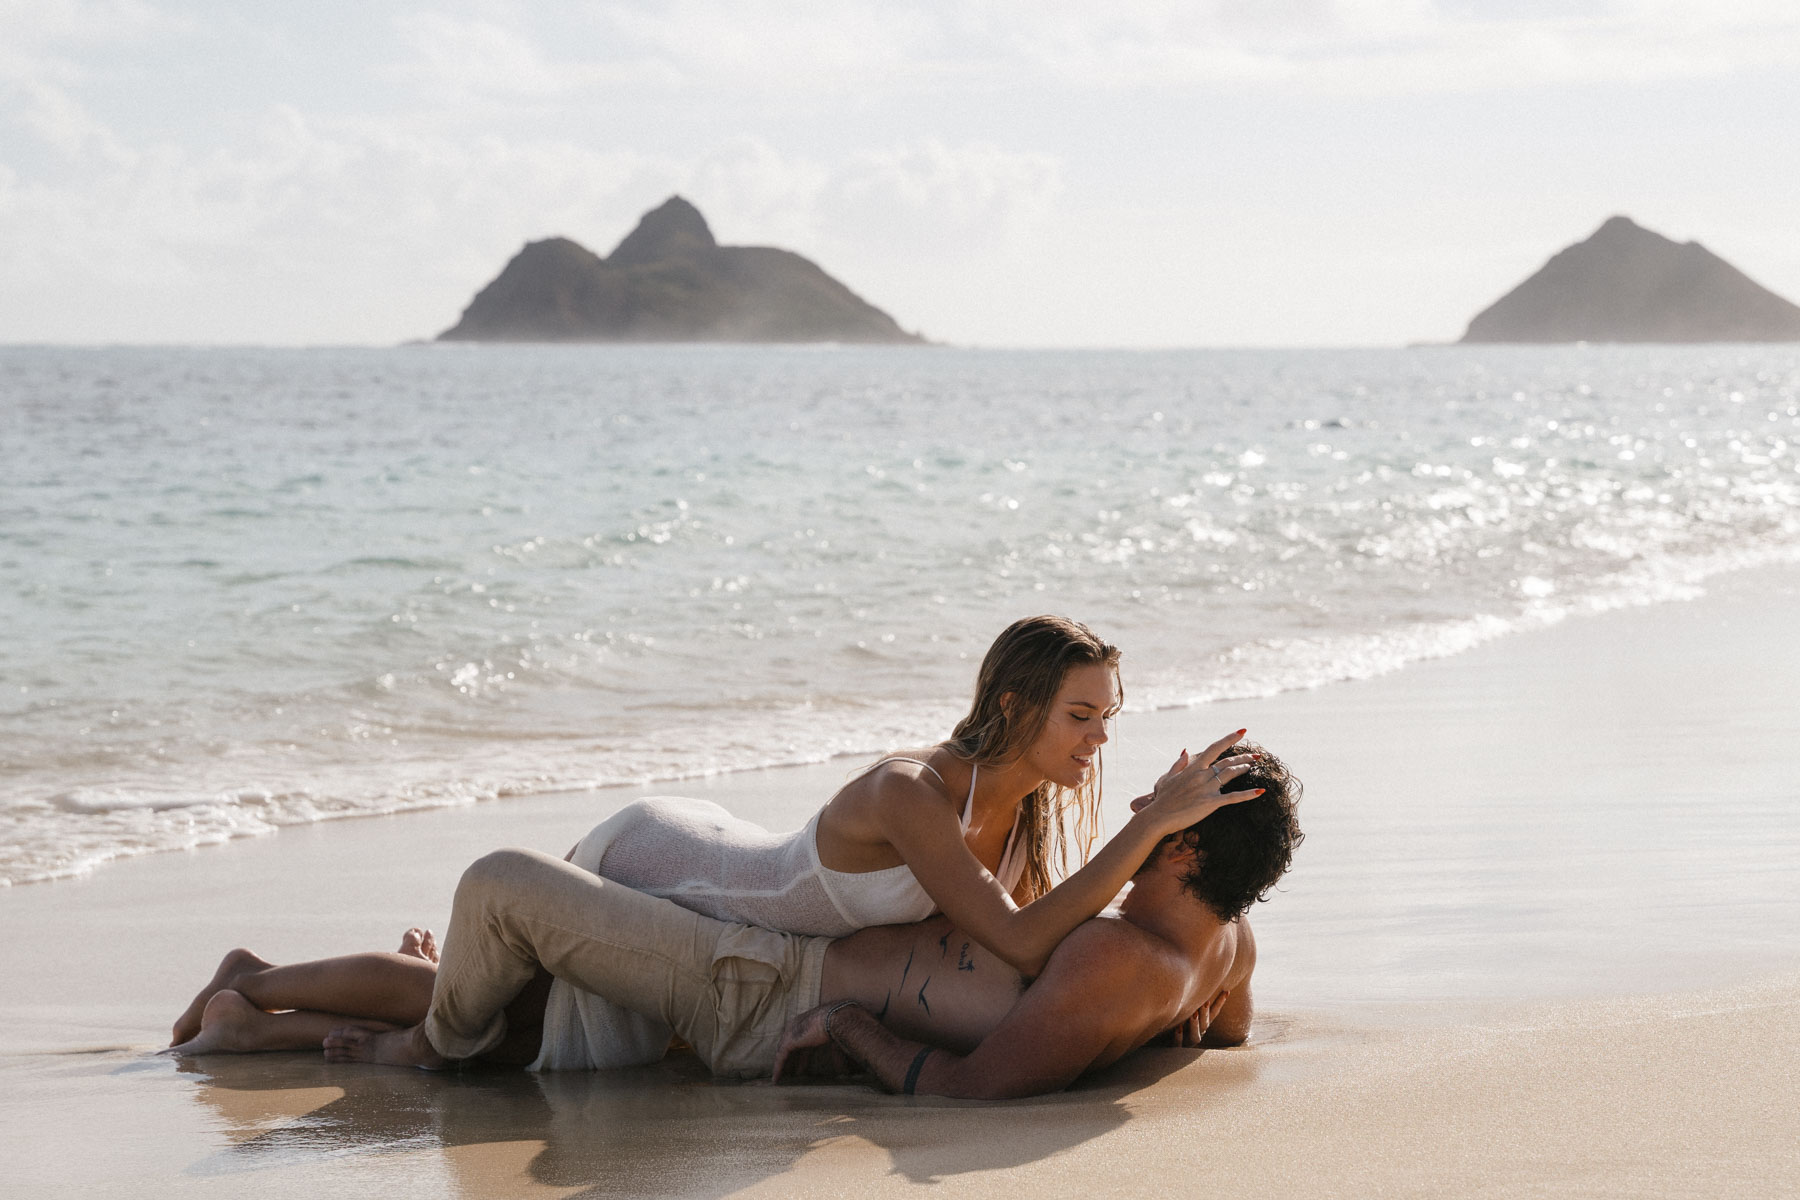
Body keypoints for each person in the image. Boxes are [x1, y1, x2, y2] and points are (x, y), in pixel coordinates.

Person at [170, 615, 1261, 1056]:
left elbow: (1030, 931)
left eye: (1108, 719)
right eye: (1082, 717)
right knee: (504, 1015)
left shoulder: (1022, 811)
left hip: (746, 921)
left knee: (516, 1013)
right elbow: (1022, 943)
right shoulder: (911, 793)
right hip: (675, 873)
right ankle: (258, 989)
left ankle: (258, 982)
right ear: (1020, 706)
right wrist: (1157, 826)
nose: (1097, 740)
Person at [174, 747, 1302, 1100]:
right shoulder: (1223, 944)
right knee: (526, 1010)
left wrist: (859, 1036)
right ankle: (257, 1007)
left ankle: (268, 1004)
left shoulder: (1116, 951)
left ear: (1192, 848)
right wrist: (1166, 1032)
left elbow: (975, 1089)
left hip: (761, 996)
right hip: (765, 961)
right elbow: (1230, 1029)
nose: (1150, 798)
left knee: (504, 912)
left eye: (1173, 800)